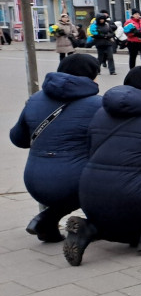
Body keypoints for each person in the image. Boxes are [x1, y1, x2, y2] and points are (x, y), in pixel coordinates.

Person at [63, 67, 141, 266]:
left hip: (88, 190)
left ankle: (90, 229)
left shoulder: (100, 113)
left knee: (125, 190)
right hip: (133, 194)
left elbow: (90, 150)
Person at [9, 54, 103, 243]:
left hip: (33, 180)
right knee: (110, 175)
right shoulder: (97, 104)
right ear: (90, 76)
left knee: (69, 182)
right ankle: (94, 226)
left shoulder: (35, 99)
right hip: (72, 181)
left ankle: (46, 223)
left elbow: (18, 139)